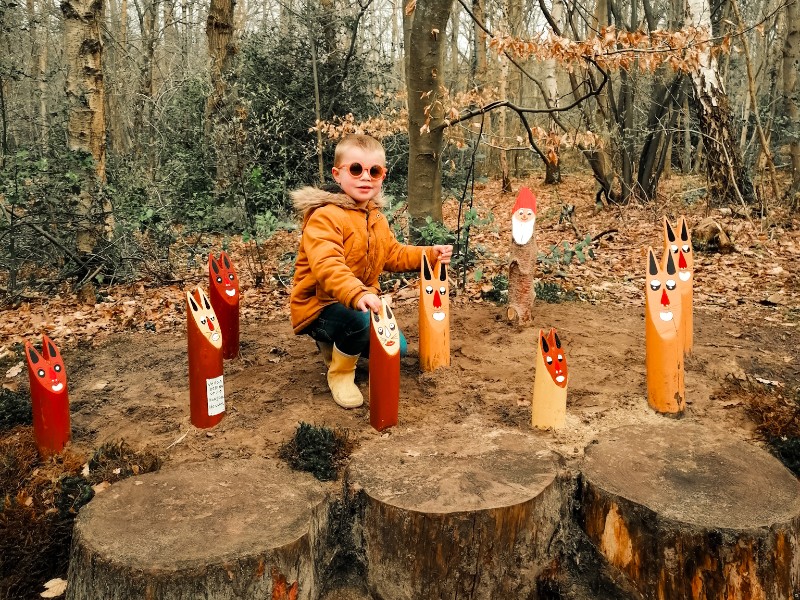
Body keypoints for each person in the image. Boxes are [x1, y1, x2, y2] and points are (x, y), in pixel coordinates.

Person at [290, 134, 452, 409]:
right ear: (337, 174)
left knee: (397, 349)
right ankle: (340, 373)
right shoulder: (324, 216)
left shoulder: (375, 217)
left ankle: (338, 344)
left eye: (374, 171)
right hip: (319, 307)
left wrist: (429, 254)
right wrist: (356, 293)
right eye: (356, 169)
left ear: (382, 176)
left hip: (359, 303)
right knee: (360, 322)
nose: (365, 177)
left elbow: (393, 254)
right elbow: (327, 264)